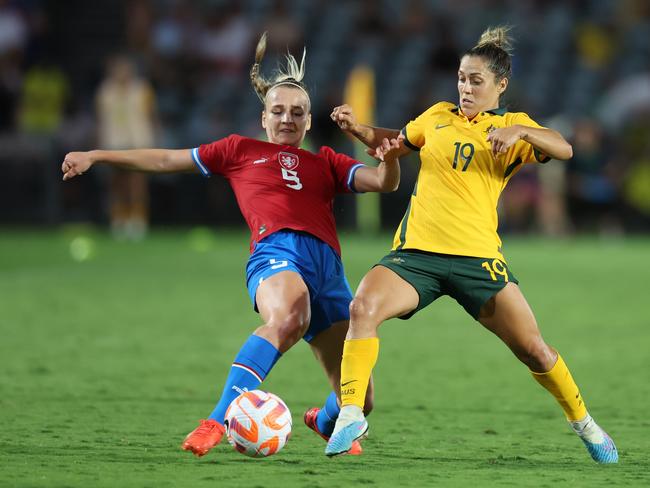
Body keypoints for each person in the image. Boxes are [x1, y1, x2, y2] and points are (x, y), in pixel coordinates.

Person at [61, 33, 402, 457]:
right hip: (277, 253)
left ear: (310, 122)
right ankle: (216, 420)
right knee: (290, 317)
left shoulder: (327, 162)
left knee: (361, 397)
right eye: (277, 111)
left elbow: (382, 183)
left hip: (328, 269)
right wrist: (97, 155)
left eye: (297, 113)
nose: (287, 119)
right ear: (263, 118)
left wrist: (388, 156)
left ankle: (324, 419)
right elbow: (168, 160)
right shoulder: (239, 150)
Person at [325, 26, 618, 464]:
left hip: (477, 260)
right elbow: (394, 143)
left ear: (500, 85)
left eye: (475, 80)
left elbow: (564, 149)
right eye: (461, 78)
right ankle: (350, 414)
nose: (464, 87)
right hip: (416, 256)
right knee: (362, 307)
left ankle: (586, 424)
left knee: (534, 349)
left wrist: (522, 134)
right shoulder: (437, 115)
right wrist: (358, 128)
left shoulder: (510, 126)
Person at [96, 55, 157, 240]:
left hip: (139, 140)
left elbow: (150, 115)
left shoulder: (142, 89)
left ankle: (138, 220)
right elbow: (101, 119)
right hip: (114, 141)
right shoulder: (105, 91)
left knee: (137, 183)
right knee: (116, 184)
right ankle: (119, 219)